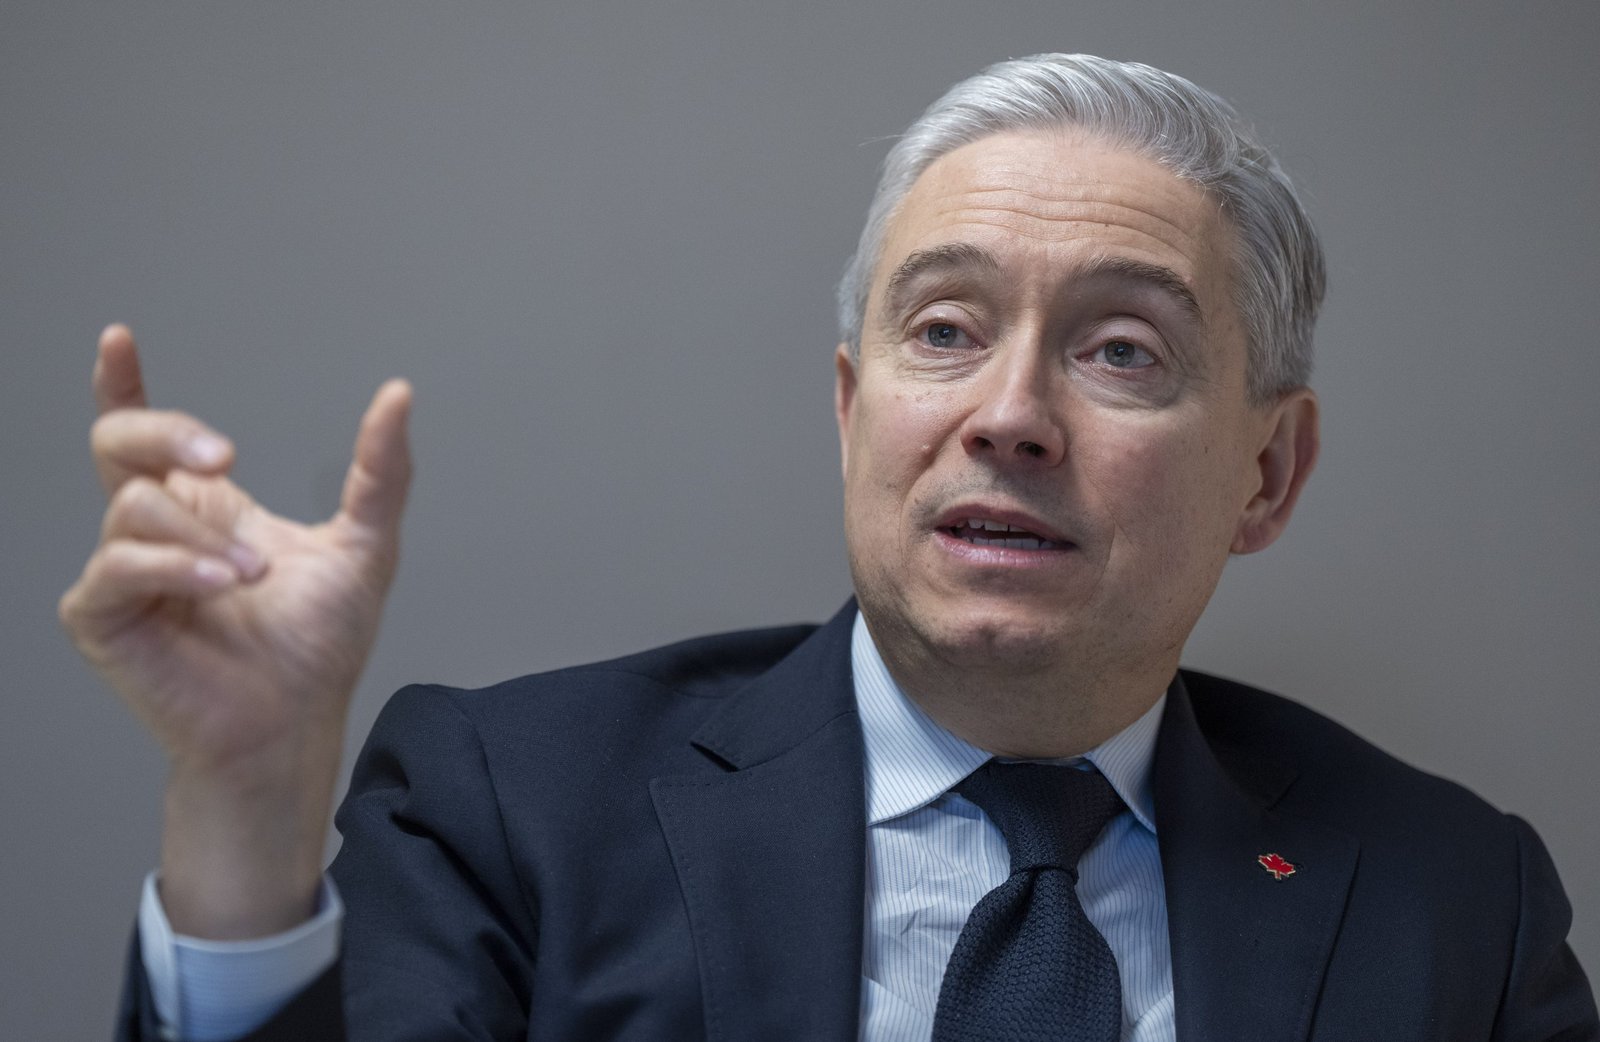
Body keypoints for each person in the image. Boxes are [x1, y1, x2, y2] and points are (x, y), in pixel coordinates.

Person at [63, 54, 1595, 1042]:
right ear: (854, 411)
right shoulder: (511, 809)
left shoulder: (1457, 904)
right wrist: (249, 815)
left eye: (1121, 350)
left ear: (1268, 471)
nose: (1010, 414)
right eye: (946, 330)